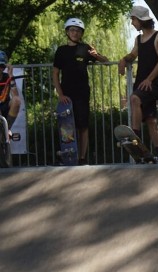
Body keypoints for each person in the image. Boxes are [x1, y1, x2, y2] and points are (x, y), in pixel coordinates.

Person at [52, 18, 109, 165]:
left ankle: (82, 158)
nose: (75, 33)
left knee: (83, 125)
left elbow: (106, 61)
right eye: (72, 30)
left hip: (82, 93)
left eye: (78, 31)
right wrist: (61, 94)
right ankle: (70, 156)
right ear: (67, 32)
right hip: (67, 95)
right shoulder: (61, 51)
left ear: (81, 33)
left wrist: (96, 55)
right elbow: (55, 74)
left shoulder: (85, 48)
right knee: (68, 126)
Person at [118, 5, 158, 163]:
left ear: (141, 20)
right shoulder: (138, 40)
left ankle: (135, 138)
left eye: (133, 19)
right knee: (151, 121)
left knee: (134, 99)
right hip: (142, 83)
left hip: (154, 83)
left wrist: (150, 79)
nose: (132, 23)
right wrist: (123, 60)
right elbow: (133, 54)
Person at [0, 51, 22, 133]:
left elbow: (16, 95)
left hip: (5, 105)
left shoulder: (7, 76)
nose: (0, 69)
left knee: (16, 100)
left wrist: (11, 75)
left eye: (2, 66)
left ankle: (7, 128)